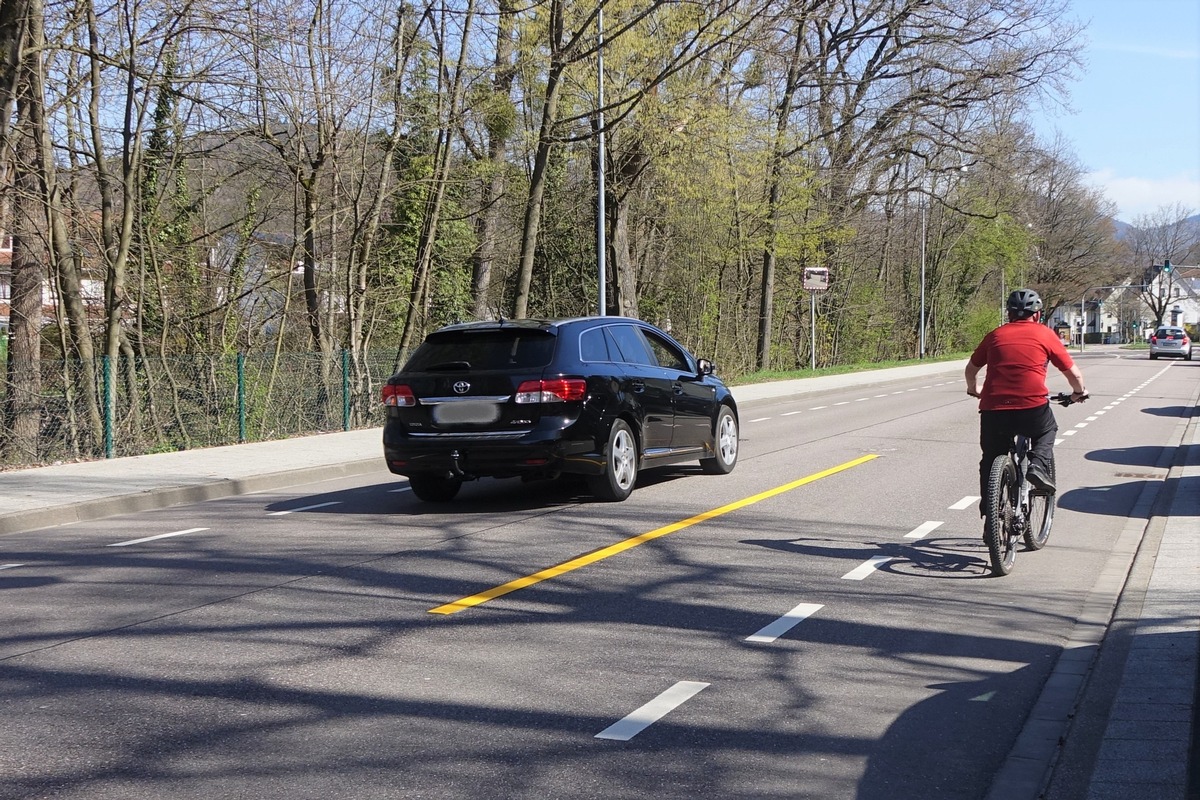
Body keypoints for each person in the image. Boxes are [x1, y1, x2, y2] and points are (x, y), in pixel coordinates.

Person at [965, 289, 1087, 507]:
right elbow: (1074, 374)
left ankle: (989, 510)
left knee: (990, 459)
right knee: (1047, 429)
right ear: (1037, 315)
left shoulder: (995, 335)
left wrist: (975, 390)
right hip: (1031, 406)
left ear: (1008, 314)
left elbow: (971, 370)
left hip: (994, 408)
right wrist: (1078, 393)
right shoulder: (1045, 334)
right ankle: (1037, 465)